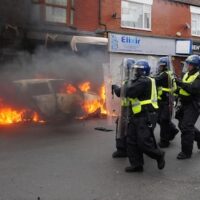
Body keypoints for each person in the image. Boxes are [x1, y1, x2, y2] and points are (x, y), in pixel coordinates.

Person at [124, 59, 165, 173]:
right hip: (136, 115)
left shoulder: (144, 81)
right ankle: (137, 165)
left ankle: (159, 155)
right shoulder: (140, 80)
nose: (136, 72)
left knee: (143, 142)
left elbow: (130, 92)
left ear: (144, 71)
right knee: (131, 141)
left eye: (138, 70)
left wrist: (119, 88)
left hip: (145, 115)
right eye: (135, 69)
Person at [175, 54, 200, 159]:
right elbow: (182, 88)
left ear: (195, 66)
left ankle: (186, 152)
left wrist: (180, 83)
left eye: (190, 64)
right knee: (181, 124)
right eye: (188, 64)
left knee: (186, 127)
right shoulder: (186, 74)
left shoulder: (198, 76)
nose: (188, 66)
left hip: (193, 104)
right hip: (184, 103)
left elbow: (193, 89)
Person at [111, 58, 135, 158]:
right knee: (124, 127)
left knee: (123, 128)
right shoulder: (131, 79)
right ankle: (125, 149)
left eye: (124, 68)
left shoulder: (131, 80)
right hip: (127, 108)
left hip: (129, 109)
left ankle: (122, 150)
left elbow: (121, 92)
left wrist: (115, 87)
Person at [154, 57, 179, 148]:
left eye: (161, 65)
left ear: (165, 66)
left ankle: (164, 141)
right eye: (159, 65)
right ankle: (172, 130)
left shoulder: (165, 74)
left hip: (166, 101)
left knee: (164, 121)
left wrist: (146, 77)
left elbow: (155, 80)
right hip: (164, 100)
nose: (159, 67)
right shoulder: (169, 73)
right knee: (160, 119)